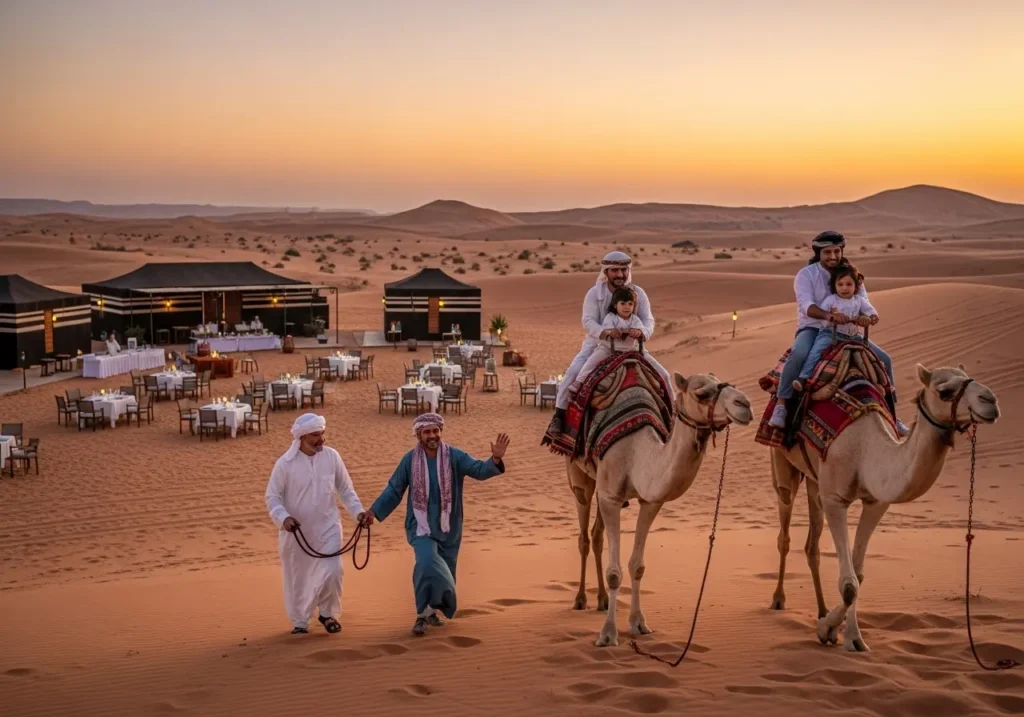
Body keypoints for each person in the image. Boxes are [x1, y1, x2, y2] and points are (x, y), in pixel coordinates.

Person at [359, 413, 510, 636]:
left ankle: (432, 612)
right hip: (420, 527)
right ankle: (421, 615)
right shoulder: (409, 460)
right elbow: (394, 490)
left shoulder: (454, 456)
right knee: (427, 563)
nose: (433, 435)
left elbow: (478, 470)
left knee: (446, 571)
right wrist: (373, 511)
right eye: (427, 432)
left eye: (436, 431)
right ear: (418, 435)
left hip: (450, 527)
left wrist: (495, 460)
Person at [768, 230, 906, 435]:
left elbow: (864, 303)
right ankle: (781, 404)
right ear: (819, 253)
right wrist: (829, 316)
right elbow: (807, 306)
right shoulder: (806, 275)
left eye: (836, 251)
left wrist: (869, 317)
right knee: (798, 354)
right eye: (827, 252)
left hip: (848, 331)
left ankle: (893, 415)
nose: (832, 257)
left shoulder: (851, 275)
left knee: (885, 360)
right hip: (814, 329)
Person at [548, 250, 671, 435]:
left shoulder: (638, 294)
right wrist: (605, 333)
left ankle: (672, 416)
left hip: (633, 347)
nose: (620, 274)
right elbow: (588, 321)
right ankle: (559, 417)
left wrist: (642, 332)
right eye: (615, 270)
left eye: (623, 269)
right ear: (606, 271)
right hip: (597, 346)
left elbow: (649, 320)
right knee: (572, 374)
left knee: (665, 376)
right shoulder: (593, 294)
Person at [265, 413, 367, 635]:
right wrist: (284, 518)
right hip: (297, 534)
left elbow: (346, 489)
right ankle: (300, 622)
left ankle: (327, 613)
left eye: (322, 433)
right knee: (298, 578)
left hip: (328, 528)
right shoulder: (285, 464)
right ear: (301, 437)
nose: (321, 439)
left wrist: (358, 512)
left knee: (333, 571)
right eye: (315, 435)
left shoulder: (332, 457)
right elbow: (272, 497)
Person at [791, 261, 878, 393]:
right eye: (840, 284)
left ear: (856, 286)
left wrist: (869, 318)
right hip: (831, 334)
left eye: (849, 284)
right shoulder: (831, 300)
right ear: (834, 285)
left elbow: (872, 313)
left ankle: (888, 395)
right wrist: (833, 318)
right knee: (816, 351)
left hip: (854, 336)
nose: (844, 288)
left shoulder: (859, 300)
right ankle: (804, 378)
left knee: (877, 360)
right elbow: (824, 322)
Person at [570, 286, 648, 392]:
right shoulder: (611, 317)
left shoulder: (635, 319)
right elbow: (606, 330)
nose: (627, 307)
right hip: (609, 349)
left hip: (631, 351)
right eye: (623, 303)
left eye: (630, 304)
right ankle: (579, 381)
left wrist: (638, 332)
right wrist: (611, 332)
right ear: (616, 305)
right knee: (592, 362)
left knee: (652, 370)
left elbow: (642, 331)